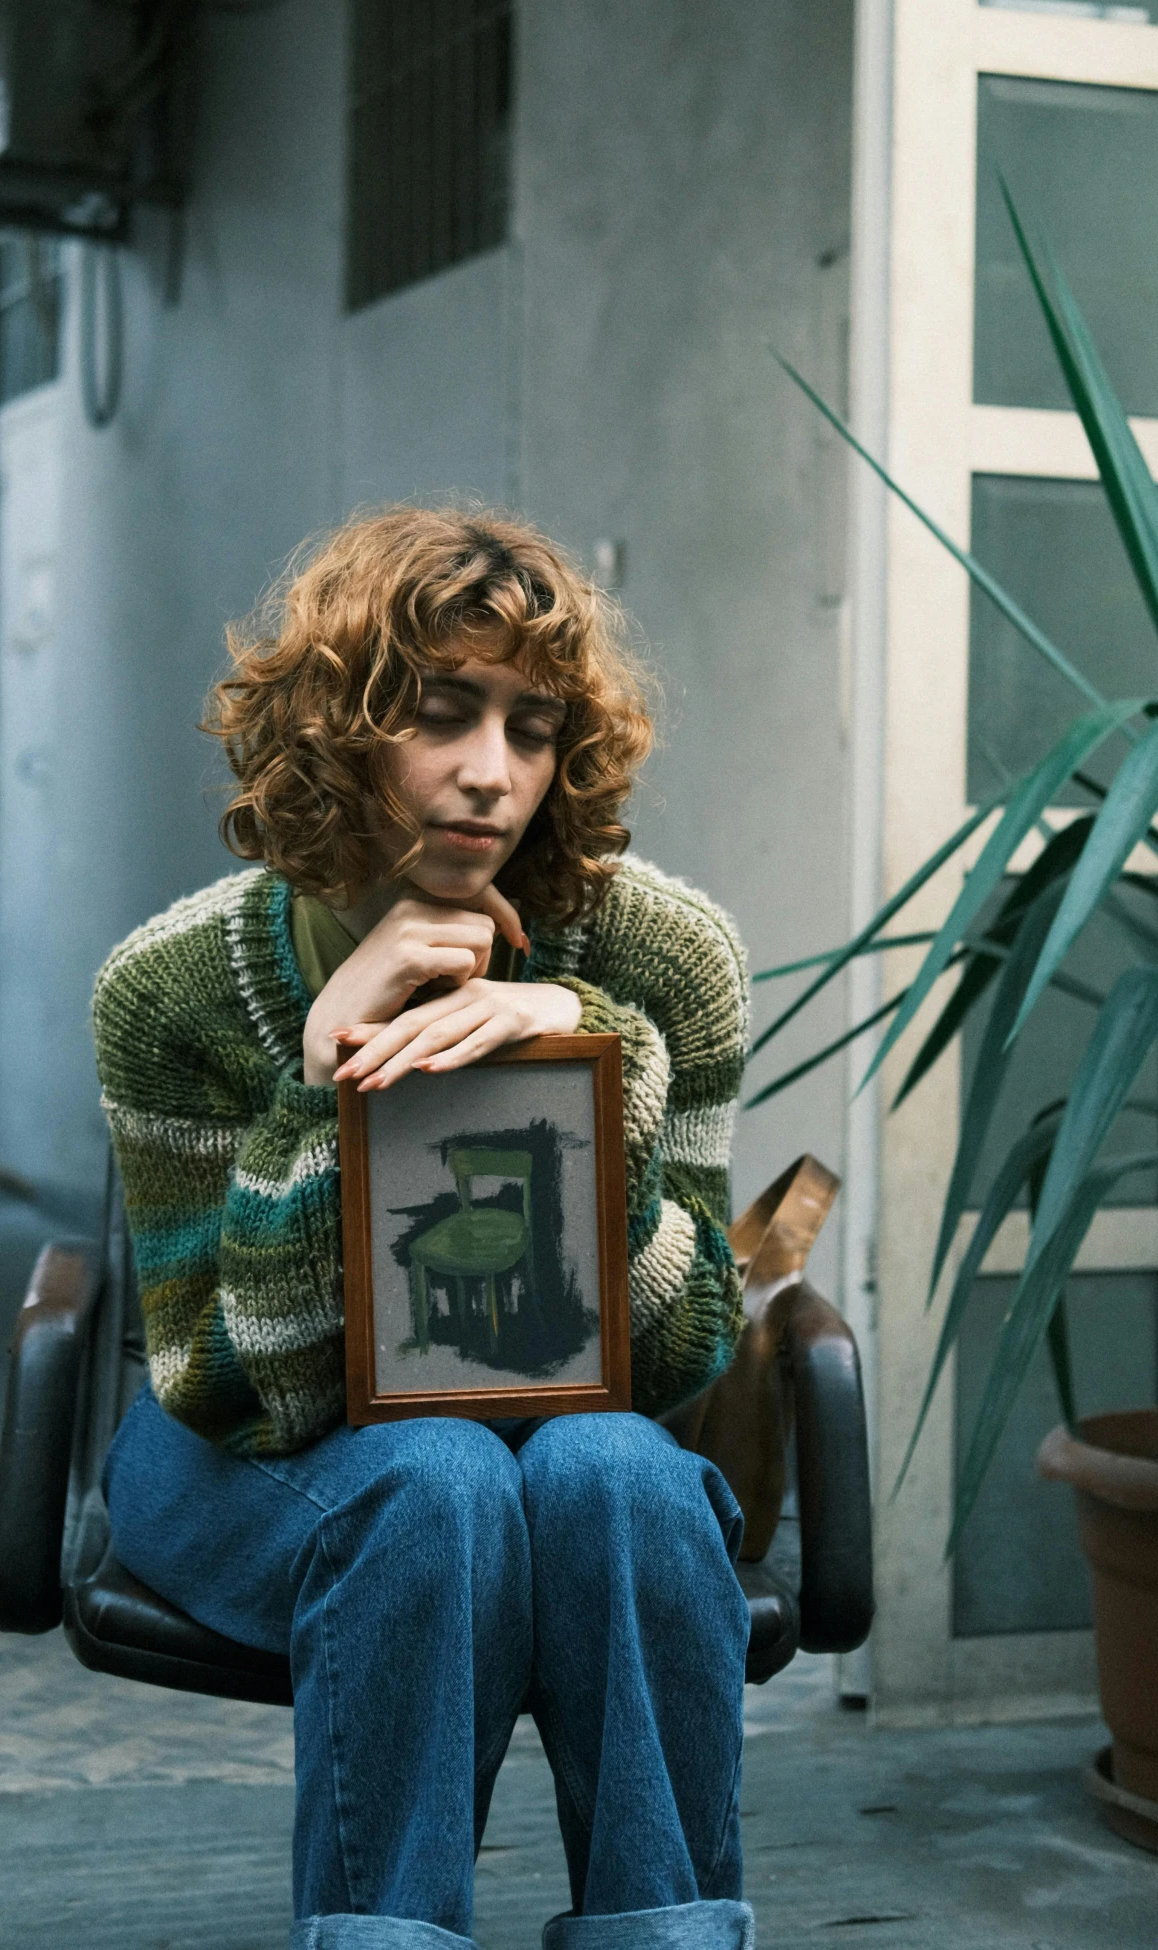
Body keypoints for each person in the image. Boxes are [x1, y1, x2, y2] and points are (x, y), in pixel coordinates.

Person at [93, 508, 754, 1950]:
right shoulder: (171, 991)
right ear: (337, 734)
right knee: (435, 1481)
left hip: (558, 1433)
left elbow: (689, 1343)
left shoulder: (660, 958)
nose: (490, 775)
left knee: (620, 1470)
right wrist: (319, 1087)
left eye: (531, 729)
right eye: (440, 715)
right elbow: (227, 1384)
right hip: (250, 1451)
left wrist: (591, 1060)